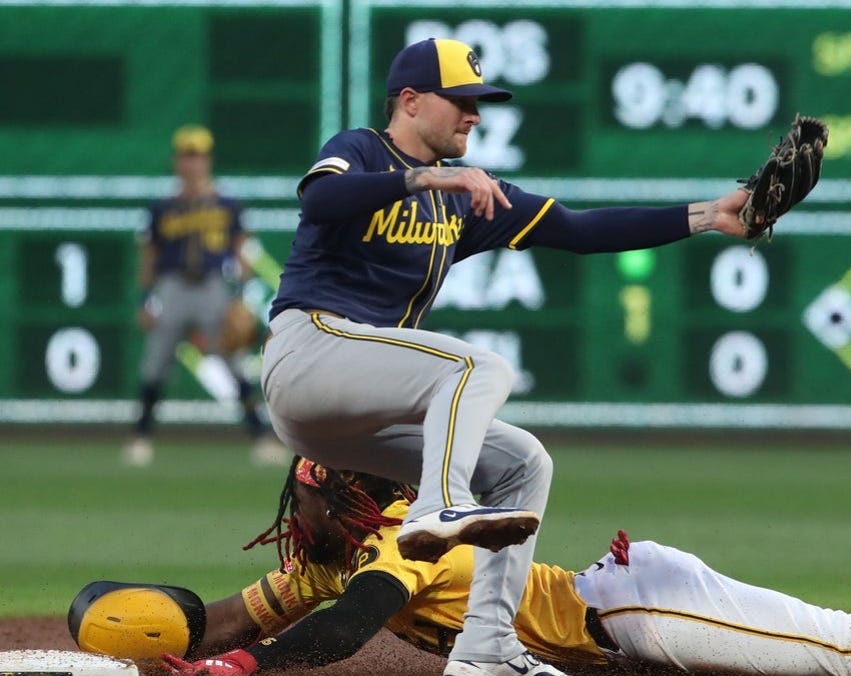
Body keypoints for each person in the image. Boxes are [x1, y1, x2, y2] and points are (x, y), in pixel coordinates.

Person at [258, 37, 765, 676]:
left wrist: (709, 215)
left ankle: (485, 650)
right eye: (461, 101)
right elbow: (318, 200)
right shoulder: (361, 149)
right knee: (478, 366)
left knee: (524, 462)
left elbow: (579, 230)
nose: (474, 114)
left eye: (479, 103)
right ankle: (438, 506)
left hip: (343, 415)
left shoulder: (469, 198)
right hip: (309, 351)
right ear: (410, 102)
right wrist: (423, 176)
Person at [82, 458, 851, 676]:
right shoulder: (318, 557)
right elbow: (235, 612)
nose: (301, 499)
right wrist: (156, 630)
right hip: (605, 642)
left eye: (314, 485)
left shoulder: (406, 528)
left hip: (642, 612)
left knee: (844, 649)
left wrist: (247, 673)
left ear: (350, 496)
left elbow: (333, 634)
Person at [125, 124, 290, 468]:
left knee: (234, 366)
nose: (192, 163)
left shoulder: (227, 204)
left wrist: (242, 295)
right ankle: (140, 438)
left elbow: (242, 250)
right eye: (187, 156)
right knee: (155, 364)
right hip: (172, 288)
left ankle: (259, 438)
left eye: (198, 156)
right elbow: (150, 256)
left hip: (213, 287)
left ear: (207, 160)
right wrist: (145, 299)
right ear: (177, 162)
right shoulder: (163, 207)